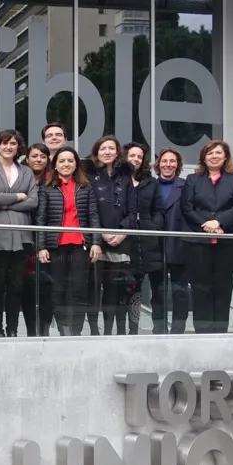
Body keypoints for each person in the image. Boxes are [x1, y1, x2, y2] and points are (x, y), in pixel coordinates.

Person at [34, 148, 101, 335]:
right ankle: (63, 330)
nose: (66, 164)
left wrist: (96, 242)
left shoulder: (85, 186)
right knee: (58, 290)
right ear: (55, 165)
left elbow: (93, 215)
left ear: (76, 164)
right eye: (62, 161)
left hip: (80, 245)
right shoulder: (46, 188)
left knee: (79, 289)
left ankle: (76, 331)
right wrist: (41, 247)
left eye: (70, 161)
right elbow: (40, 219)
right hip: (56, 246)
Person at [183, 140, 233, 334]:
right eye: (209, 153)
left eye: (218, 153)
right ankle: (202, 334)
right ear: (204, 157)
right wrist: (209, 226)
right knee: (200, 289)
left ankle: (220, 334)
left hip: (228, 242)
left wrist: (219, 223)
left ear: (225, 156)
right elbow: (187, 208)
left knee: (223, 289)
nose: (214, 156)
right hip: (198, 242)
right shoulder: (193, 179)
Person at [0, 129, 37, 337]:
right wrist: (18, 196)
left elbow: (33, 201)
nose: (8, 147)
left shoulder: (26, 172)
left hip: (22, 237)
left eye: (12, 143)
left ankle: (12, 329)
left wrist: (6, 203)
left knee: (16, 287)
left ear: (18, 147)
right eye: (4, 143)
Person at [87, 136, 137, 335]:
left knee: (113, 291)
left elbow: (133, 211)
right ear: (96, 152)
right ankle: (93, 331)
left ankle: (109, 332)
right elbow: (89, 210)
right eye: (102, 148)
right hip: (96, 242)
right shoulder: (89, 176)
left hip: (120, 242)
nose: (107, 152)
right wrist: (101, 233)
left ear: (117, 153)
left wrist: (122, 232)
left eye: (111, 148)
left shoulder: (126, 178)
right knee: (93, 290)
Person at [151, 148, 191, 334]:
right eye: (164, 161)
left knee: (180, 292)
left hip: (179, 244)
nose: (168, 164)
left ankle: (178, 330)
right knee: (157, 290)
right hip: (155, 246)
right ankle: (158, 329)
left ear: (178, 164)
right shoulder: (149, 185)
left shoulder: (186, 186)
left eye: (172, 161)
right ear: (158, 165)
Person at [125, 142, 160, 335]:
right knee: (132, 289)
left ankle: (158, 329)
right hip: (127, 242)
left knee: (155, 288)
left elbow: (158, 210)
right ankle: (132, 330)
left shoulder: (151, 182)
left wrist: (153, 227)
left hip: (148, 241)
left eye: (139, 157)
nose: (136, 159)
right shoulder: (120, 180)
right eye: (132, 155)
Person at [21, 142, 55, 336]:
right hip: (25, 238)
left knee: (47, 288)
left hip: (48, 241)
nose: (39, 159)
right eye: (34, 156)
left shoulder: (53, 180)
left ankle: (45, 331)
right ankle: (30, 332)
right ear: (27, 159)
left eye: (43, 156)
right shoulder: (20, 178)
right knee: (27, 287)